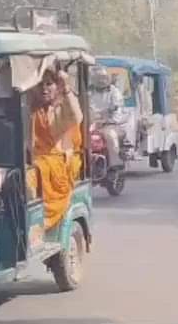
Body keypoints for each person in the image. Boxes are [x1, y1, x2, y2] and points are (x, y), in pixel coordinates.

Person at [29, 69, 84, 231]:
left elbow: (76, 116)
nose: (44, 89)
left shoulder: (62, 107)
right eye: (41, 85)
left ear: (57, 86)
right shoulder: (33, 108)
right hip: (36, 157)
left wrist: (66, 86)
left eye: (49, 84)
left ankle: (36, 223)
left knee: (32, 171)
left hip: (58, 162)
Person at [88, 67, 125, 169]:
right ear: (93, 79)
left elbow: (117, 107)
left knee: (110, 136)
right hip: (90, 123)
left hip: (109, 123)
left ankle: (114, 164)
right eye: (98, 77)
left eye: (104, 77)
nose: (101, 80)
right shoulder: (88, 91)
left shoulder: (114, 92)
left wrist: (106, 118)